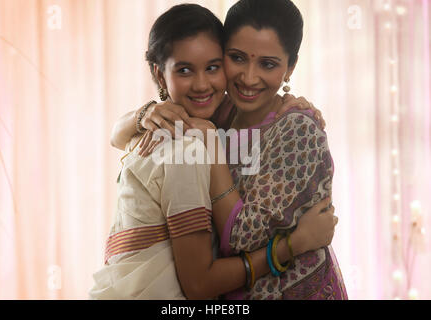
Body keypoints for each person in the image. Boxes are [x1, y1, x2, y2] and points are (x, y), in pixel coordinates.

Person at [90, 3, 338, 300]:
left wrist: (299, 243)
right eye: (236, 58)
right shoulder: (218, 115)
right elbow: (118, 137)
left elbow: (240, 238)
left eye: (268, 64)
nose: (248, 77)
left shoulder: (293, 127)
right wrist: (143, 113)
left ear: (291, 67)